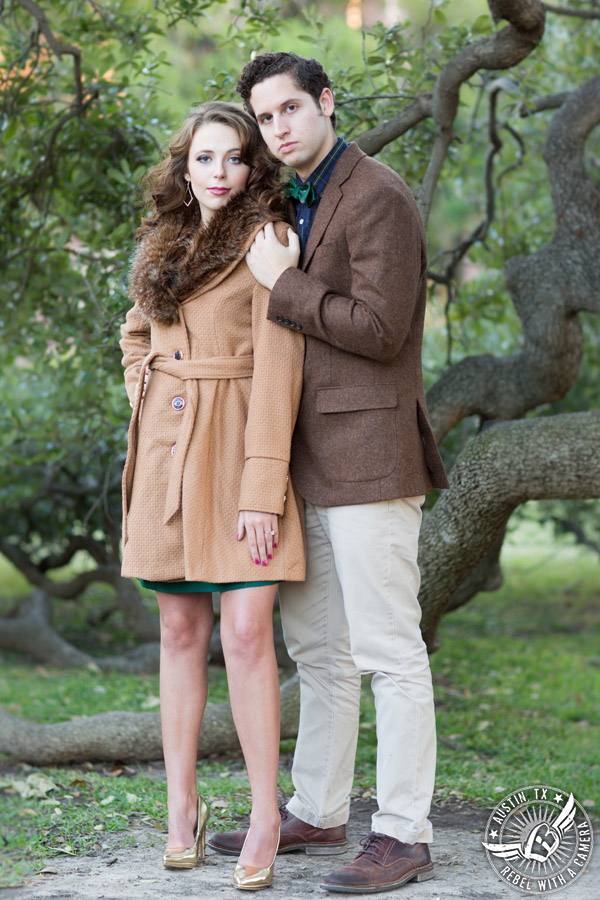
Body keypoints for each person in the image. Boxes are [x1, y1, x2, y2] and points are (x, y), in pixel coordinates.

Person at [208, 54, 449, 894]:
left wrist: (286, 283)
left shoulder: (378, 194)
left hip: (371, 455)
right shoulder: (291, 200)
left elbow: (381, 329)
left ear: (326, 103)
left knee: (389, 650)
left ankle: (405, 832)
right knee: (319, 650)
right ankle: (317, 807)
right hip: (302, 464)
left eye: (289, 110)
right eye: (264, 117)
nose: (276, 129)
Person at [119, 100, 305, 891]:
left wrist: (262, 489)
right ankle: (182, 807)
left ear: (252, 163)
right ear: (185, 165)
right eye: (205, 158)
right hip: (167, 455)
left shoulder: (269, 241)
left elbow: (280, 370)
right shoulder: (160, 243)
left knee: (249, 629)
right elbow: (136, 333)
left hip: (240, 452)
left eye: (234, 157)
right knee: (178, 632)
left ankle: (265, 813)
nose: (220, 173)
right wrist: (147, 391)